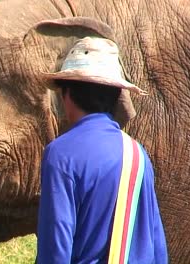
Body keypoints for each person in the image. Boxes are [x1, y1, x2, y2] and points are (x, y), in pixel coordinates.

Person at [36, 37, 168, 264]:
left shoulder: (60, 154)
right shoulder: (137, 154)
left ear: (66, 94)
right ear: (117, 97)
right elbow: (156, 242)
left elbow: (55, 246)